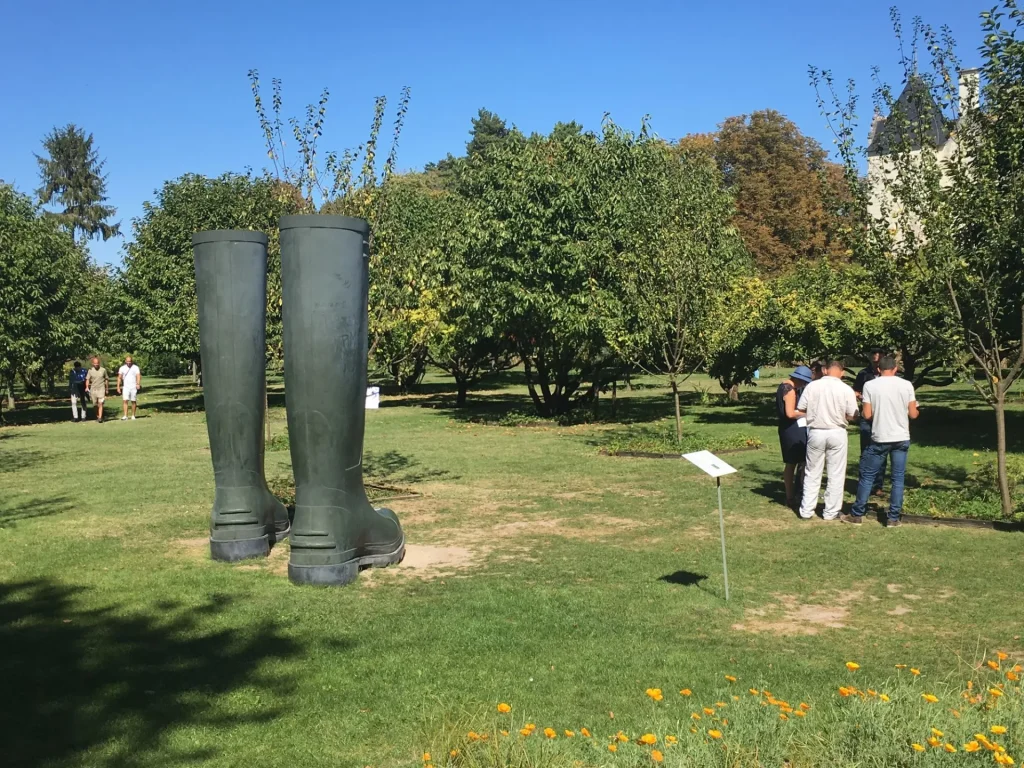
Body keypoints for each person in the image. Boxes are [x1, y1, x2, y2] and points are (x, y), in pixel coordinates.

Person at [843, 354, 919, 527]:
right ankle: (893, 518)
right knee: (897, 478)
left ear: (878, 369)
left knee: (867, 476)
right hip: (901, 437)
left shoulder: (870, 385)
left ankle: (857, 514)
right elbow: (913, 414)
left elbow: (867, 414)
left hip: (880, 436)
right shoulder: (906, 385)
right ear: (895, 369)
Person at [797, 359, 858, 520]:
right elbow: (853, 414)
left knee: (812, 472)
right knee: (836, 473)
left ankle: (806, 509)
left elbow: (801, 407)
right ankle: (830, 511)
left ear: (825, 370)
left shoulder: (812, 386)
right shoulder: (846, 389)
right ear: (842, 372)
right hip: (837, 432)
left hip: (816, 431)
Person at [776, 365, 813, 508]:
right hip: (792, 429)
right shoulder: (790, 390)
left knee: (791, 463)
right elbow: (790, 413)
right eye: (803, 382)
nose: (803, 385)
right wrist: (807, 414)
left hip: (785, 428)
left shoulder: (782, 386)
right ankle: (793, 495)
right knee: (796, 462)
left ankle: (791, 494)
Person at [854, 348, 886, 496]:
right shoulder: (863, 374)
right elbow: (855, 391)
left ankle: (878, 485)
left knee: (882, 449)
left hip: (883, 416)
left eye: (878, 355)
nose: (875, 358)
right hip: (867, 415)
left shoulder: (887, 374)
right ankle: (864, 481)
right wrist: (863, 397)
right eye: (872, 354)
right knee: (866, 450)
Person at [117, 355, 142, 421]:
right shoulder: (122, 368)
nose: (129, 363)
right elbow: (119, 378)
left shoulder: (135, 367)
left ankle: (133, 415)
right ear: (125, 361)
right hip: (126, 387)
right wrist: (118, 387)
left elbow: (138, 376)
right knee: (125, 400)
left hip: (133, 386)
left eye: (130, 361)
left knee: (133, 401)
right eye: (127, 361)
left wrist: (138, 384)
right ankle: (125, 415)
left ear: (132, 361)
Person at [85, 356, 108, 423]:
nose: (96, 365)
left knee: (100, 403)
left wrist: (106, 388)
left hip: (101, 388)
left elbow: (106, 379)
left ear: (99, 363)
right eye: (95, 364)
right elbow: (87, 379)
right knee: (95, 404)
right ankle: (98, 416)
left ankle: (100, 417)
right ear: (92, 363)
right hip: (93, 389)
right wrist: (87, 387)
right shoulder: (90, 370)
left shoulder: (103, 370)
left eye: (97, 363)